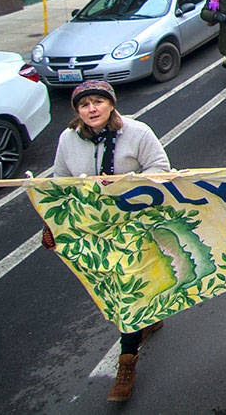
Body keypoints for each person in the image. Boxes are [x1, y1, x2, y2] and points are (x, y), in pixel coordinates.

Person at [46, 81, 170, 401]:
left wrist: (125, 184)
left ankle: (126, 364)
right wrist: (52, 225)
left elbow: (161, 170)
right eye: (84, 104)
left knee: (126, 290)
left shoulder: (138, 132)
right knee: (117, 286)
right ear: (78, 111)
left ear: (111, 105)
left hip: (134, 224)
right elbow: (60, 183)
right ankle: (150, 315)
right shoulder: (67, 139)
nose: (92, 109)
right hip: (95, 228)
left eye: (99, 102)